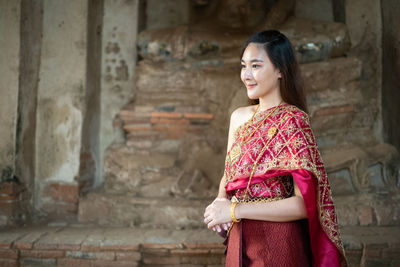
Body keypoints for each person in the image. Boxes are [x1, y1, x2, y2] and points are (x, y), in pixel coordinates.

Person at [203, 30, 347, 267]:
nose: (246, 75)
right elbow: (229, 175)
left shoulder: (293, 121)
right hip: (239, 241)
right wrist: (219, 206)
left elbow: (303, 205)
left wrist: (234, 211)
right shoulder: (239, 118)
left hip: (278, 243)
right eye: (243, 66)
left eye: (256, 66)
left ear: (280, 70)